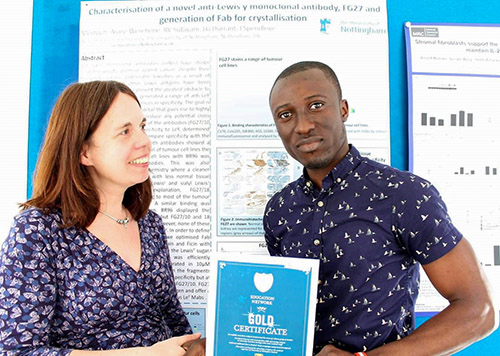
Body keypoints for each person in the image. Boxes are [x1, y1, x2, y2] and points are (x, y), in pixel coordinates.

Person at [263, 61, 497, 355]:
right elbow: (283, 315)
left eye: (316, 105)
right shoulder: (279, 211)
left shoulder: (404, 195)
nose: (304, 126)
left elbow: (479, 311)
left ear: (343, 109)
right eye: (286, 115)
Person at [0, 81, 201, 355]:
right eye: (125, 132)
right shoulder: (37, 231)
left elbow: (175, 323)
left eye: (142, 127)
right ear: (84, 152)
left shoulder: (150, 225)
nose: (144, 142)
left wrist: (199, 344)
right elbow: (16, 351)